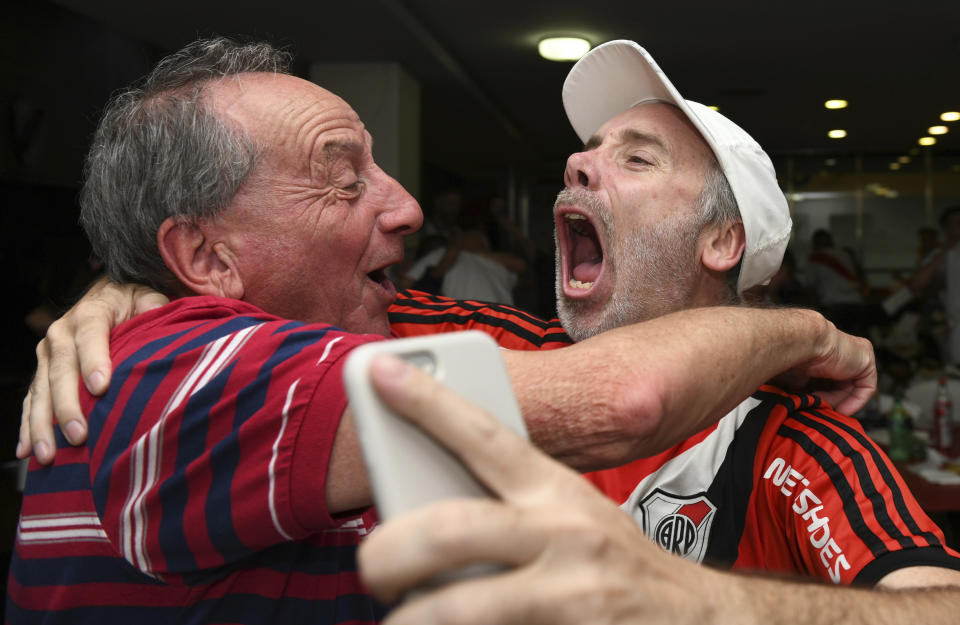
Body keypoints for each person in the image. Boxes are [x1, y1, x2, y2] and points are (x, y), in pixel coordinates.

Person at [7, 38, 875, 625]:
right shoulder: (176, 370)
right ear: (202, 255)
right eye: (343, 179)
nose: (411, 208)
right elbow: (623, 395)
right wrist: (807, 331)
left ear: (726, 242)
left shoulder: (389, 333)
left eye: (638, 159)